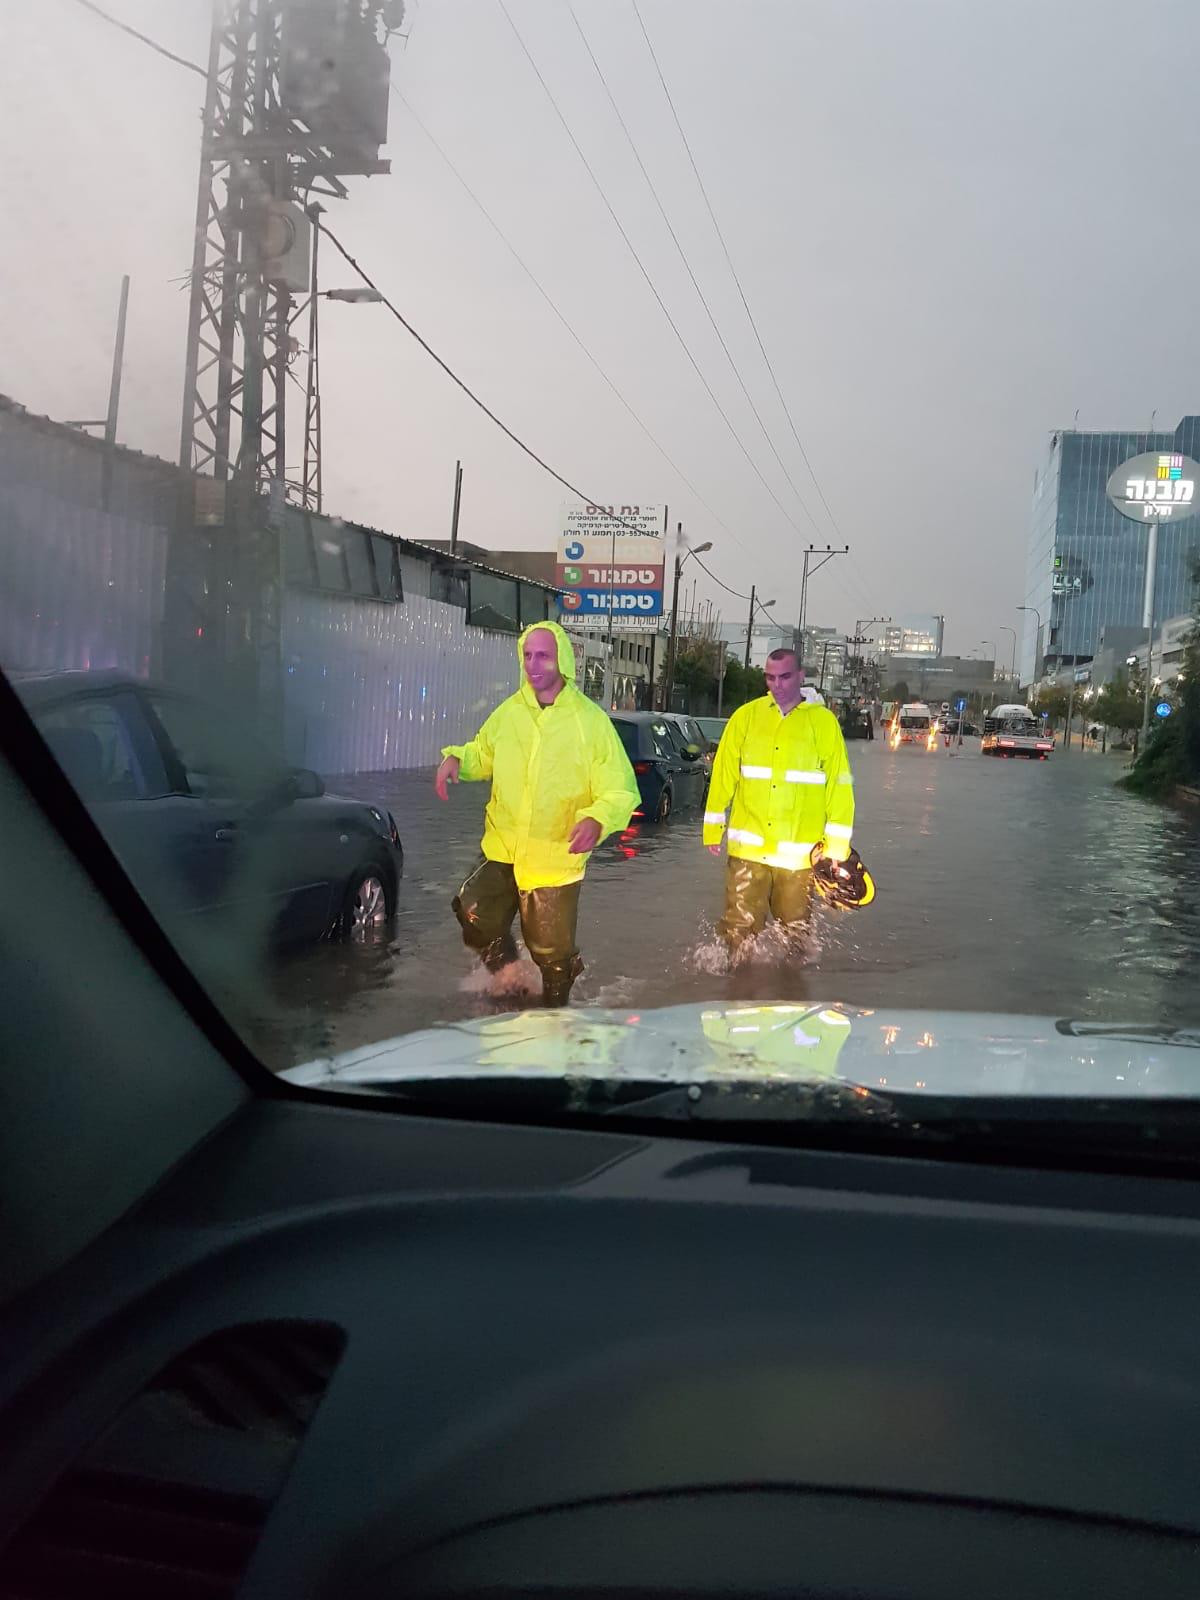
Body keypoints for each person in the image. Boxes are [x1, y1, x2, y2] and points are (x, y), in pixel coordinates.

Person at [435, 621, 639, 1007]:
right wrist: (457, 760)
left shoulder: (589, 722)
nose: (533, 664)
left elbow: (621, 789)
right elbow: (483, 753)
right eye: (527, 655)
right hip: (503, 848)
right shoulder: (511, 711)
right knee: (472, 910)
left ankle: (556, 1012)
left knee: (551, 953)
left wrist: (598, 818)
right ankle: (510, 973)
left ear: (561, 660)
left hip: (554, 858)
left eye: (542, 655)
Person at [704, 648, 855, 953]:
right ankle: (736, 994)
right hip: (749, 851)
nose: (777, 684)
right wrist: (712, 827)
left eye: (785, 676)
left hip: (799, 858)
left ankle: (791, 994)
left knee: (795, 936)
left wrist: (837, 849)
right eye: (770, 677)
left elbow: (840, 787)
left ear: (800, 676)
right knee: (737, 933)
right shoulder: (745, 718)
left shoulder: (823, 724)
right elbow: (723, 775)